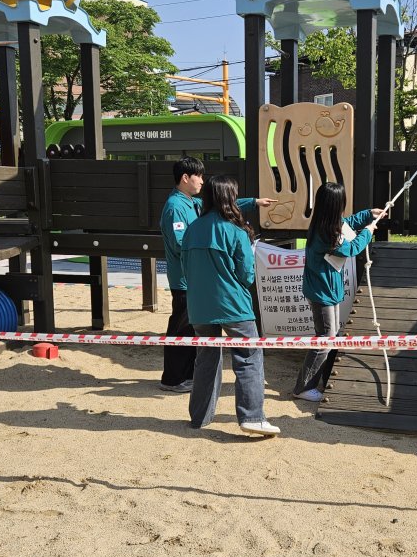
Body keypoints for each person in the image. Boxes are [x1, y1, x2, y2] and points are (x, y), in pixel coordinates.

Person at [159, 157, 274, 393]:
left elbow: (222, 201)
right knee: (181, 330)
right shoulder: (175, 207)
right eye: (199, 176)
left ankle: (186, 376)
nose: (202, 181)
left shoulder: (192, 202)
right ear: (185, 178)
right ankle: (173, 379)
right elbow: (181, 244)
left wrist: (253, 202)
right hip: (185, 280)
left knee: (193, 332)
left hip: (196, 279)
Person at [181, 174, 280, 436]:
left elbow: (184, 267)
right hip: (234, 305)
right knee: (249, 357)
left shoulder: (192, 229)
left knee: (206, 359)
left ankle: (200, 416)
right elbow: (247, 275)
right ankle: (252, 416)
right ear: (230, 198)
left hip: (199, 306)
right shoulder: (236, 231)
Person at [293, 182, 386, 402]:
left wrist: (368, 214)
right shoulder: (325, 232)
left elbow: (348, 224)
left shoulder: (329, 222)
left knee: (330, 336)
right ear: (336, 205)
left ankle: (317, 380)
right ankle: (303, 387)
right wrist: (367, 232)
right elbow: (351, 248)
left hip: (327, 289)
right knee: (325, 339)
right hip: (321, 292)